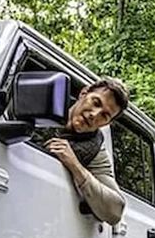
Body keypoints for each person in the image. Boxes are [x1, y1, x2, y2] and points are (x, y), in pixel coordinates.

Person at [44, 77, 130, 226]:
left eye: (104, 115)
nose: (94, 115)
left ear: (107, 123)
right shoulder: (45, 104)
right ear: (83, 93)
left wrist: (75, 166)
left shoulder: (94, 151)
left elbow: (116, 210)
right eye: (96, 103)